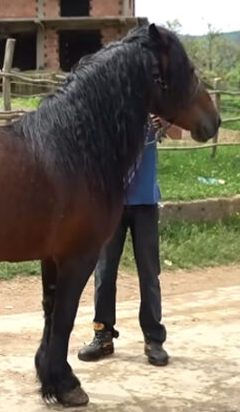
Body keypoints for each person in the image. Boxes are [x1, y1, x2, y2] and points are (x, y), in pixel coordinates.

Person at [77, 115, 178, 367]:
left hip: (145, 203)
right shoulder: (112, 106)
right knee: (105, 270)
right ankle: (103, 335)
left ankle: (154, 339)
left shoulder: (153, 108)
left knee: (149, 272)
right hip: (111, 203)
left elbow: (177, 133)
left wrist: (165, 121)